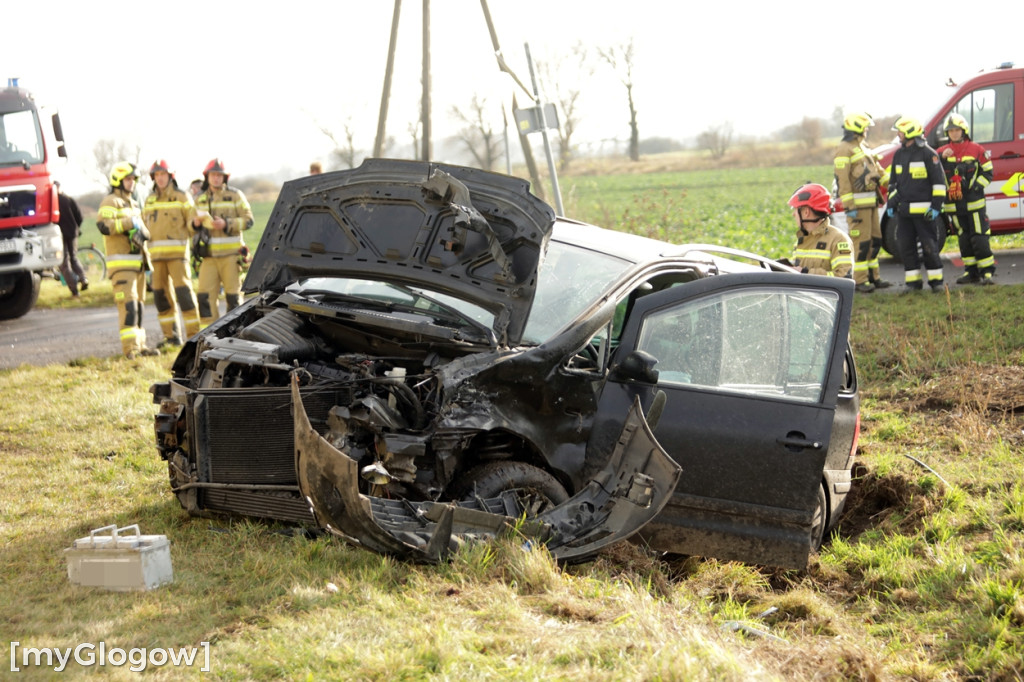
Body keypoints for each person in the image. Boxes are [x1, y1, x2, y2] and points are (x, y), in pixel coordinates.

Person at [96, 162, 159, 358]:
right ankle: (130, 349)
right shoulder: (110, 201)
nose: (131, 183)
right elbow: (103, 225)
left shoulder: (133, 204)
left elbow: (142, 229)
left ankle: (140, 346)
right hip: (122, 266)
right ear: (118, 180)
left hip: (137, 266)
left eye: (133, 180)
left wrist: (143, 233)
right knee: (129, 306)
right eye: (128, 179)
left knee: (139, 307)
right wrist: (128, 223)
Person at [885, 117, 948, 293]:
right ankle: (913, 284)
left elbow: (939, 184)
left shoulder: (929, 154)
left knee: (929, 247)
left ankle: (936, 283)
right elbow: (893, 184)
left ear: (910, 132)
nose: (899, 135)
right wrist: (892, 203)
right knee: (906, 248)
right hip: (904, 213)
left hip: (925, 213)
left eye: (901, 132)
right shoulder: (899, 155)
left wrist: (936, 207)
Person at [143, 160, 201, 347]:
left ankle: (194, 337)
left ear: (170, 176)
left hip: (177, 257)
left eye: (163, 175)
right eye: (157, 175)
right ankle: (171, 337)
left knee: (184, 296)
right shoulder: (149, 200)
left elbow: (192, 223)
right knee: (161, 298)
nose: (160, 178)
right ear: (154, 178)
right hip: (156, 259)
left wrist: (196, 224)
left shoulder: (182, 197)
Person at [192, 158, 254, 327]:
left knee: (233, 298)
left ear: (225, 177)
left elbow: (249, 220)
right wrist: (195, 224)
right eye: (213, 175)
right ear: (207, 177)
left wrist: (227, 224)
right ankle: (208, 335)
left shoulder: (235, 196)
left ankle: (235, 332)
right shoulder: (200, 199)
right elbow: (190, 226)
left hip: (231, 257)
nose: (216, 178)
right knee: (204, 298)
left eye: (219, 175)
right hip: (209, 258)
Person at [936, 113, 996, 285]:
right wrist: (941, 158)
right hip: (954, 206)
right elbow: (931, 170)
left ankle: (987, 273)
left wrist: (975, 187)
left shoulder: (976, 149)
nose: (954, 133)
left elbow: (988, 172)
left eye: (957, 130)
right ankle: (971, 272)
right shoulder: (941, 152)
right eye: (951, 130)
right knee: (964, 239)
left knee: (979, 238)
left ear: (964, 131)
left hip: (974, 204)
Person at [834, 112, 889, 293]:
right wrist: (849, 207)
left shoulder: (862, 146)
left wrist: (894, 182)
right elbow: (843, 180)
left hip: (871, 204)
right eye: (865, 127)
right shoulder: (844, 148)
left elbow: (877, 170)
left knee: (875, 241)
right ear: (857, 128)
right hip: (857, 208)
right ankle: (859, 280)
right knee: (861, 243)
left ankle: (874, 277)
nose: (867, 130)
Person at [788, 183, 854, 278]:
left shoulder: (839, 240)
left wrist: (806, 272)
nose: (793, 214)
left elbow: (843, 278)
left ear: (806, 212)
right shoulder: (802, 240)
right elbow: (798, 269)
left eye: (795, 209)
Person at [55, 181, 88, 298]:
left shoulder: (52, 202)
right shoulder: (69, 199)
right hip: (73, 233)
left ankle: (74, 290)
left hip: (60, 235)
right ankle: (83, 278)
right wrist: (76, 227)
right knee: (73, 258)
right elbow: (79, 216)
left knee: (64, 262)